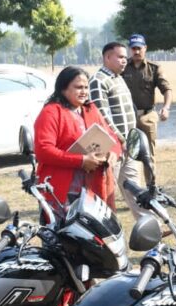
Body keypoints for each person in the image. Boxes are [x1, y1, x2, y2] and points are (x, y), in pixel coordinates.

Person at [33, 66, 119, 215]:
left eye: (86, 87)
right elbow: (43, 150)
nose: (84, 92)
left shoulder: (90, 109)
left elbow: (112, 137)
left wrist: (113, 153)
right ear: (63, 88)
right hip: (61, 188)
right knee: (66, 229)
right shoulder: (51, 112)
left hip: (93, 187)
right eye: (79, 87)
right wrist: (81, 160)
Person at [88, 42, 149, 220]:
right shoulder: (98, 81)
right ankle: (105, 229)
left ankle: (151, 228)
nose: (125, 60)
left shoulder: (118, 78)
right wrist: (121, 140)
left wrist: (130, 140)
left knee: (135, 189)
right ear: (107, 57)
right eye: (120, 57)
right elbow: (102, 115)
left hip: (128, 146)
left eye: (125, 57)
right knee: (106, 191)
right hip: (112, 148)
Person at [121, 34, 172, 157]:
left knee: (148, 155)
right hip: (128, 116)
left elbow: (167, 89)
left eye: (139, 48)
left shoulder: (154, 68)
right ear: (129, 49)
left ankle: (150, 171)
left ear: (145, 48)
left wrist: (166, 108)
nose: (137, 51)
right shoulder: (122, 68)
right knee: (129, 154)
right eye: (134, 48)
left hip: (148, 116)